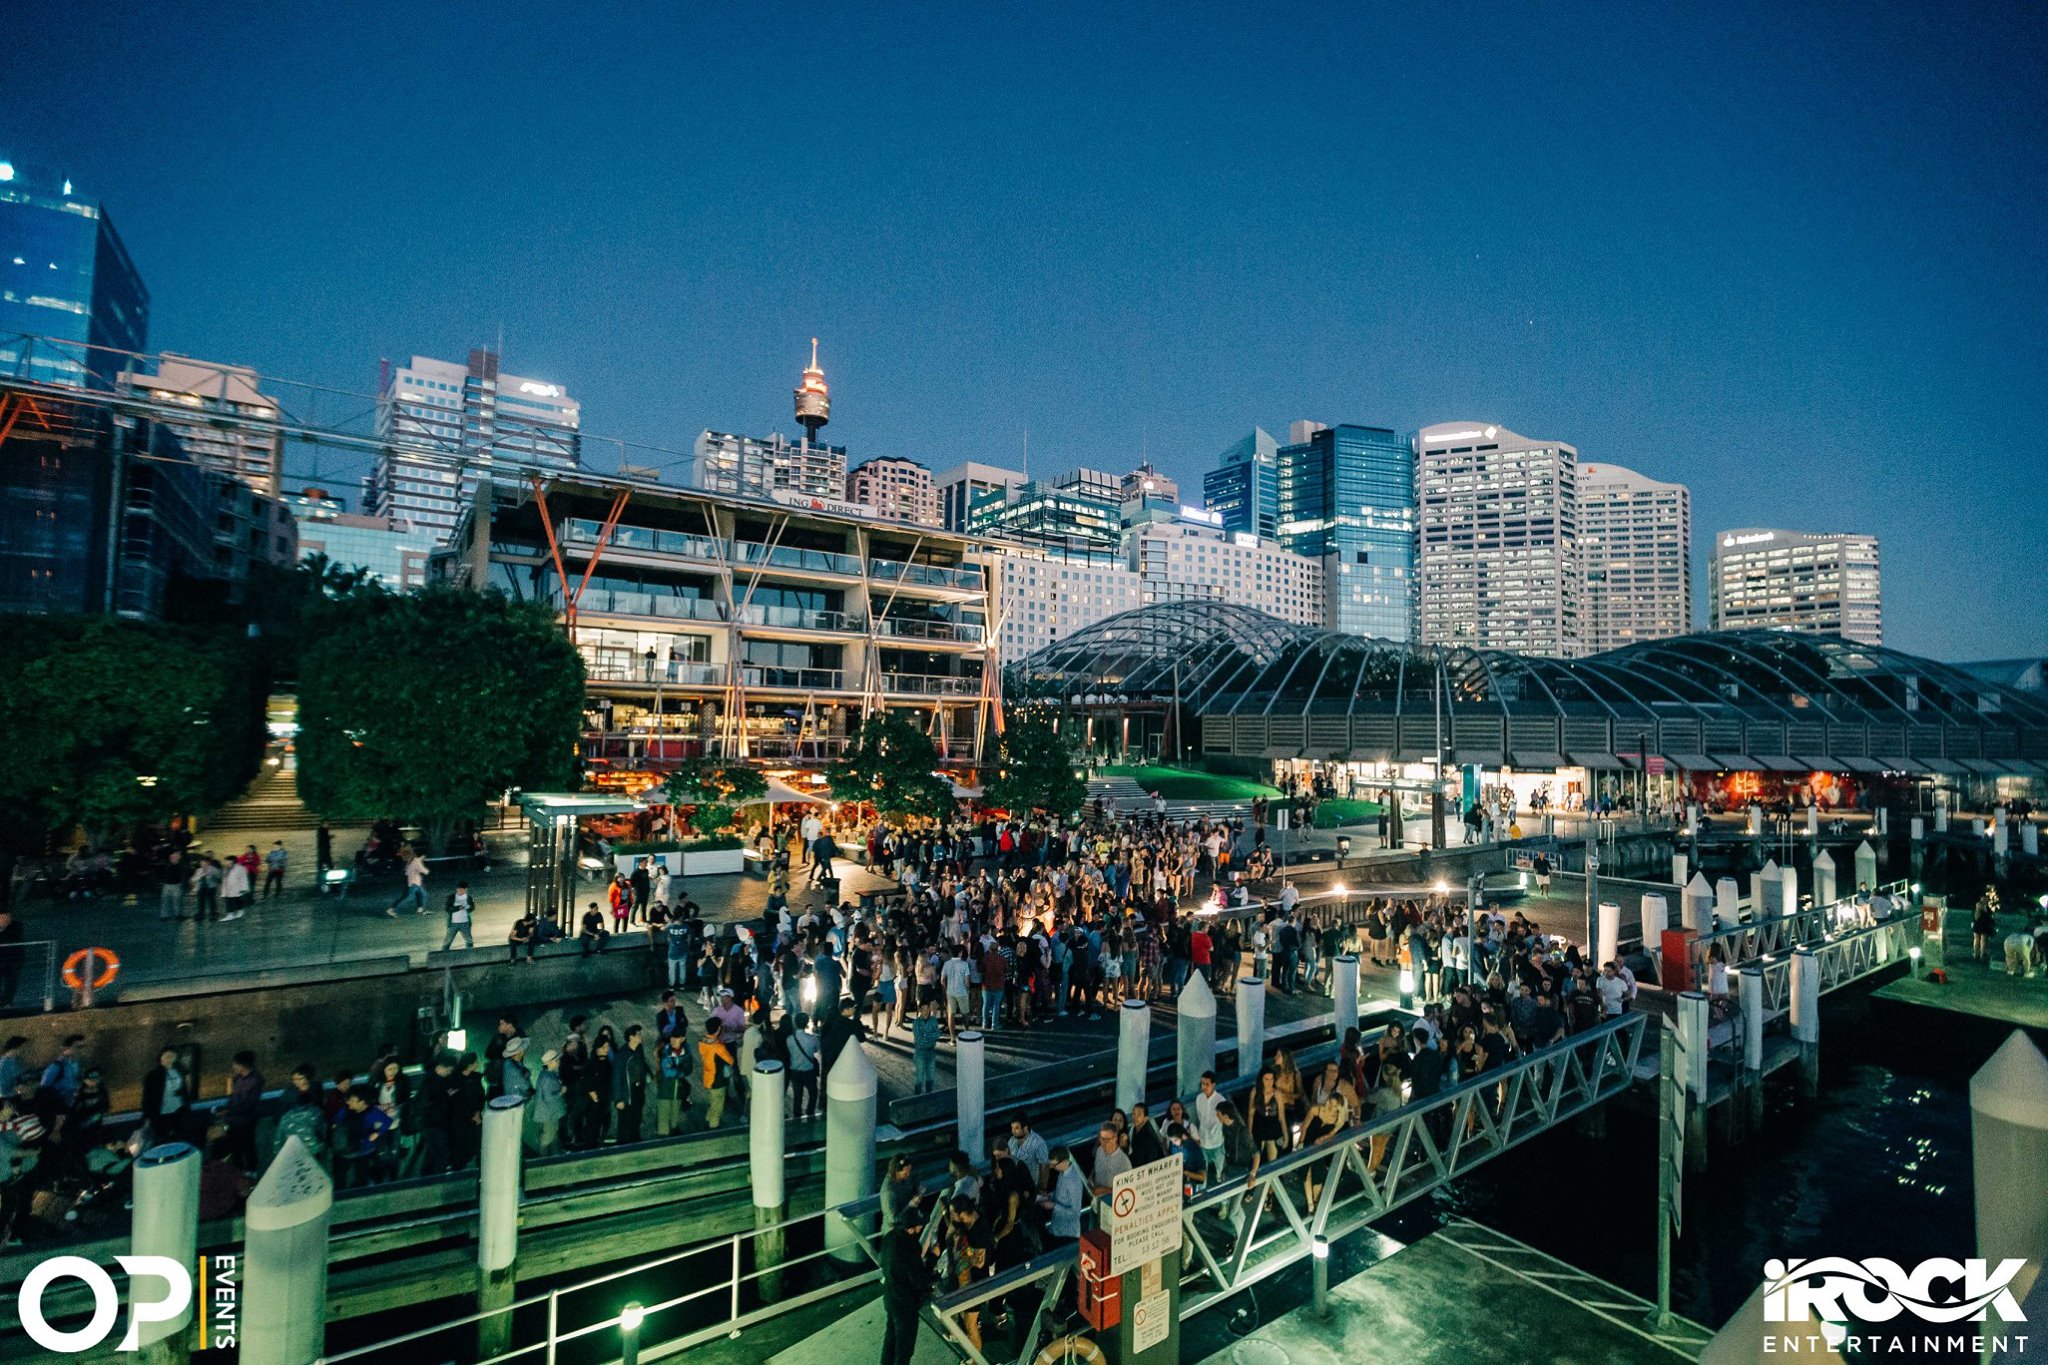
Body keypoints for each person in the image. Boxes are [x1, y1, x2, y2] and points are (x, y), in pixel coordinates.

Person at [878, 1208, 935, 1365]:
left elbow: (883, 1262)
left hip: (890, 1297)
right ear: (911, 1228)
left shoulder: (889, 1237)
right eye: (919, 1225)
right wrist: (933, 1258)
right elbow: (919, 1280)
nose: (921, 1228)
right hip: (905, 1305)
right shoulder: (909, 1246)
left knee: (890, 1341)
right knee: (904, 1349)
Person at [221, 1051, 266, 1174]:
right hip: (233, 1119)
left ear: (243, 1065)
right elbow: (232, 1097)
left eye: (235, 1064)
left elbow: (247, 1103)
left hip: (245, 1120)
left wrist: (228, 1111)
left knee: (248, 1145)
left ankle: (252, 1170)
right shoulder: (239, 1078)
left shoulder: (255, 1081)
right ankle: (239, 1169)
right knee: (235, 1147)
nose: (233, 1067)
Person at [698, 1022, 736, 1129]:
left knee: (712, 1102)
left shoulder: (703, 1042)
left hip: (708, 1076)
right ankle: (714, 1125)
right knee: (718, 1104)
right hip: (718, 1079)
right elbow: (730, 1060)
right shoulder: (717, 1047)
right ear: (718, 1029)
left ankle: (708, 1120)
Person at [532, 1050, 567, 1156]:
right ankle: (543, 1159)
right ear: (551, 1062)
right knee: (548, 1137)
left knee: (552, 1134)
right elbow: (548, 1098)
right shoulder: (547, 1078)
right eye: (557, 1060)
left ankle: (555, 1155)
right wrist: (561, 1092)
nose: (559, 1062)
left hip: (550, 1112)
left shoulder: (547, 1074)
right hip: (548, 1114)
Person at [384, 846, 428, 918]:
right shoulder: (417, 862)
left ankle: (420, 908)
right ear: (423, 856)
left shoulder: (412, 861)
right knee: (407, 898)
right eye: (424, 856)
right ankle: (392, 909)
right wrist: (424, 868)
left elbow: (406, 872)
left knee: (423, 894)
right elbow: (425, 871)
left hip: (414, 882)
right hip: (414, 883)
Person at [911, 997, 942, 1095]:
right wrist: (931, 1036)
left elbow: (938, 1034)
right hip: (920, 1052)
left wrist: (926, 1035)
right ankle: (917, 1096)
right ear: (920, 1010)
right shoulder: (916, 1022)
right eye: (923, 1008)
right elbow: (920, 1040)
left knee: (931, 1076)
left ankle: (929, 1095)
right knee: (919, 1077)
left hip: (931, 1051)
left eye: (928, 1008)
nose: (926, 1011)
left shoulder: (933, 1020)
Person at [443, 882, 477, 950]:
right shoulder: (451, 897)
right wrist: (458, 908)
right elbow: (447, 909)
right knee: (447, 942)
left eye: (463, 890)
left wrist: (467, 907)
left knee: (469, 941)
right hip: (453, 923)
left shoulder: (468, 897)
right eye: (459, 889)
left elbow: (472, 907)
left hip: (465, 923)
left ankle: (470, 954)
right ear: (457, 889)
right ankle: (443, 954)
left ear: (466, 889)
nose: (461, 891)